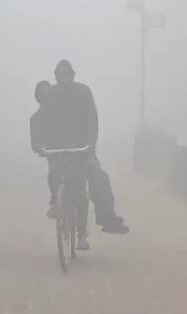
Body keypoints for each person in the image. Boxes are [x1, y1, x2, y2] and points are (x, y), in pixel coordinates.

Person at [41, 60, 129, 234]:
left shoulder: (83, 92)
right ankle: (57, 203)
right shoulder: (50, 95)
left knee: (99, 179)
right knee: (55, 175)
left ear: (72, 75)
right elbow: (42, 121)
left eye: (67, 75)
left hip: (82, 150)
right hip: (58, 150)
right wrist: (42, 145)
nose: (64, 79)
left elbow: (92, 119)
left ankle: (107, 220)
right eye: (60, 75)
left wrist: (91, 143)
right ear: (56, 76)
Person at [31, 80, 91, 250]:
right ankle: (56, 202)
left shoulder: (68, 111)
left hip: (76, 154)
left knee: (81, 194)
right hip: (55, 155)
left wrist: (85, 146)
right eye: (42, 98)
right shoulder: (37, 119)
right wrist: (40, 149)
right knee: (54, 176)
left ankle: (81, 236)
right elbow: (35, 140)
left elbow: (83, 128)